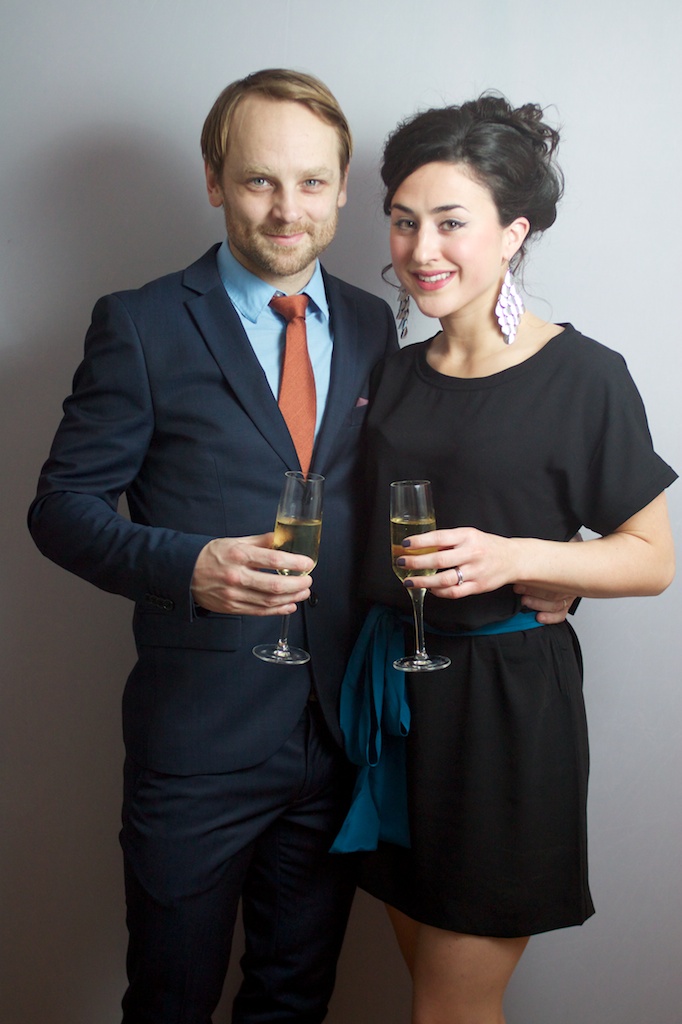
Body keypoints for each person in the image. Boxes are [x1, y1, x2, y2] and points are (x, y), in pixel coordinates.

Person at [27, 71, 571, 1023]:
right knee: (170, 1000)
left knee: (293, 999)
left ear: (345, 186)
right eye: (259, 182)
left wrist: (548, 572)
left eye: (313, 183)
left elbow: (455, 467)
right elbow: (60, 507)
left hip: (342, 737)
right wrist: (184, 567)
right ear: (213, 180)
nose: (288, 210)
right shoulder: (142, 325)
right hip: (199, 740)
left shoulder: (375, 320)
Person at [337, 95, 677, 1024]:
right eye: (404, 222)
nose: (421, 249)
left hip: (506, 714)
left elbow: (652, 559)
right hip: (394, 703)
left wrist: (526, 560)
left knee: (449, 1009)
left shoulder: (585, 374)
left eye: (452, 222)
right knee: (427, 988)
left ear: (513, 232)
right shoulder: (393, 373)